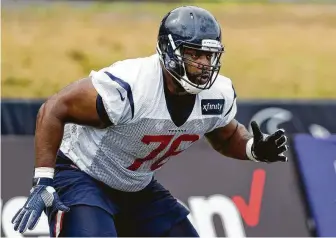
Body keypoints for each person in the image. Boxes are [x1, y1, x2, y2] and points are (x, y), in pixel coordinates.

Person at [12, 5, 288, 237]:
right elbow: (54, 108)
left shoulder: (217, 95)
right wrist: (43, 180)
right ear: (170, 51)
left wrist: (253, 149)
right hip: (82, 174)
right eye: (194, 54)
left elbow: (226, 137)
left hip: (136, 185)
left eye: (209, 55)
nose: (204, 64)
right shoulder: (131, 87)